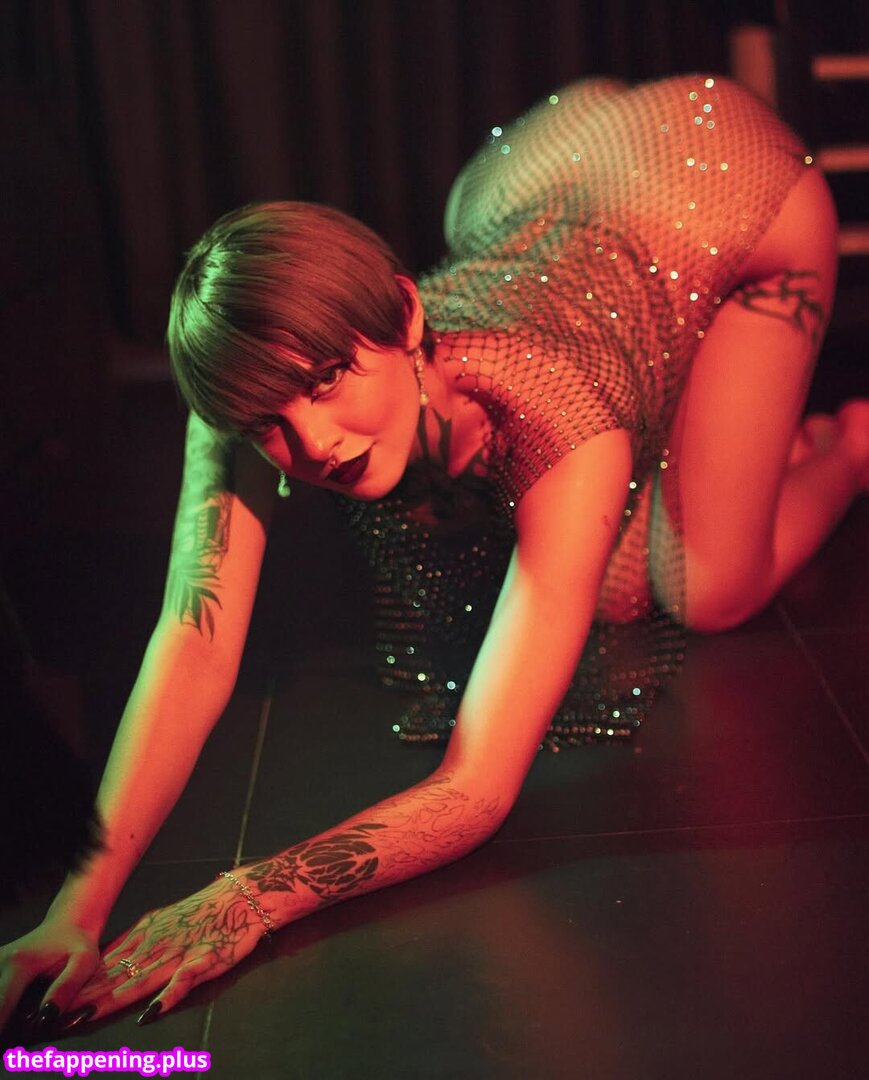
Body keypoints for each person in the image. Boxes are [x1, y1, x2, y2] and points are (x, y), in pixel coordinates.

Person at [1, 73, 866, 1036]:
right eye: (269, 425)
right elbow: (194, 640)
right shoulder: (245, 387)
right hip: (546, 188)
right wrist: (75, 910)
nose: (314, 443)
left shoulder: (562, 419)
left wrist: (250, 898)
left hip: (727, 193)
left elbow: (478, 784)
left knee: (702, 585)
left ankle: (848, 445)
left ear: (407, 319)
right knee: (611, 574)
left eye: (328, 380)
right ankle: (739, 450)